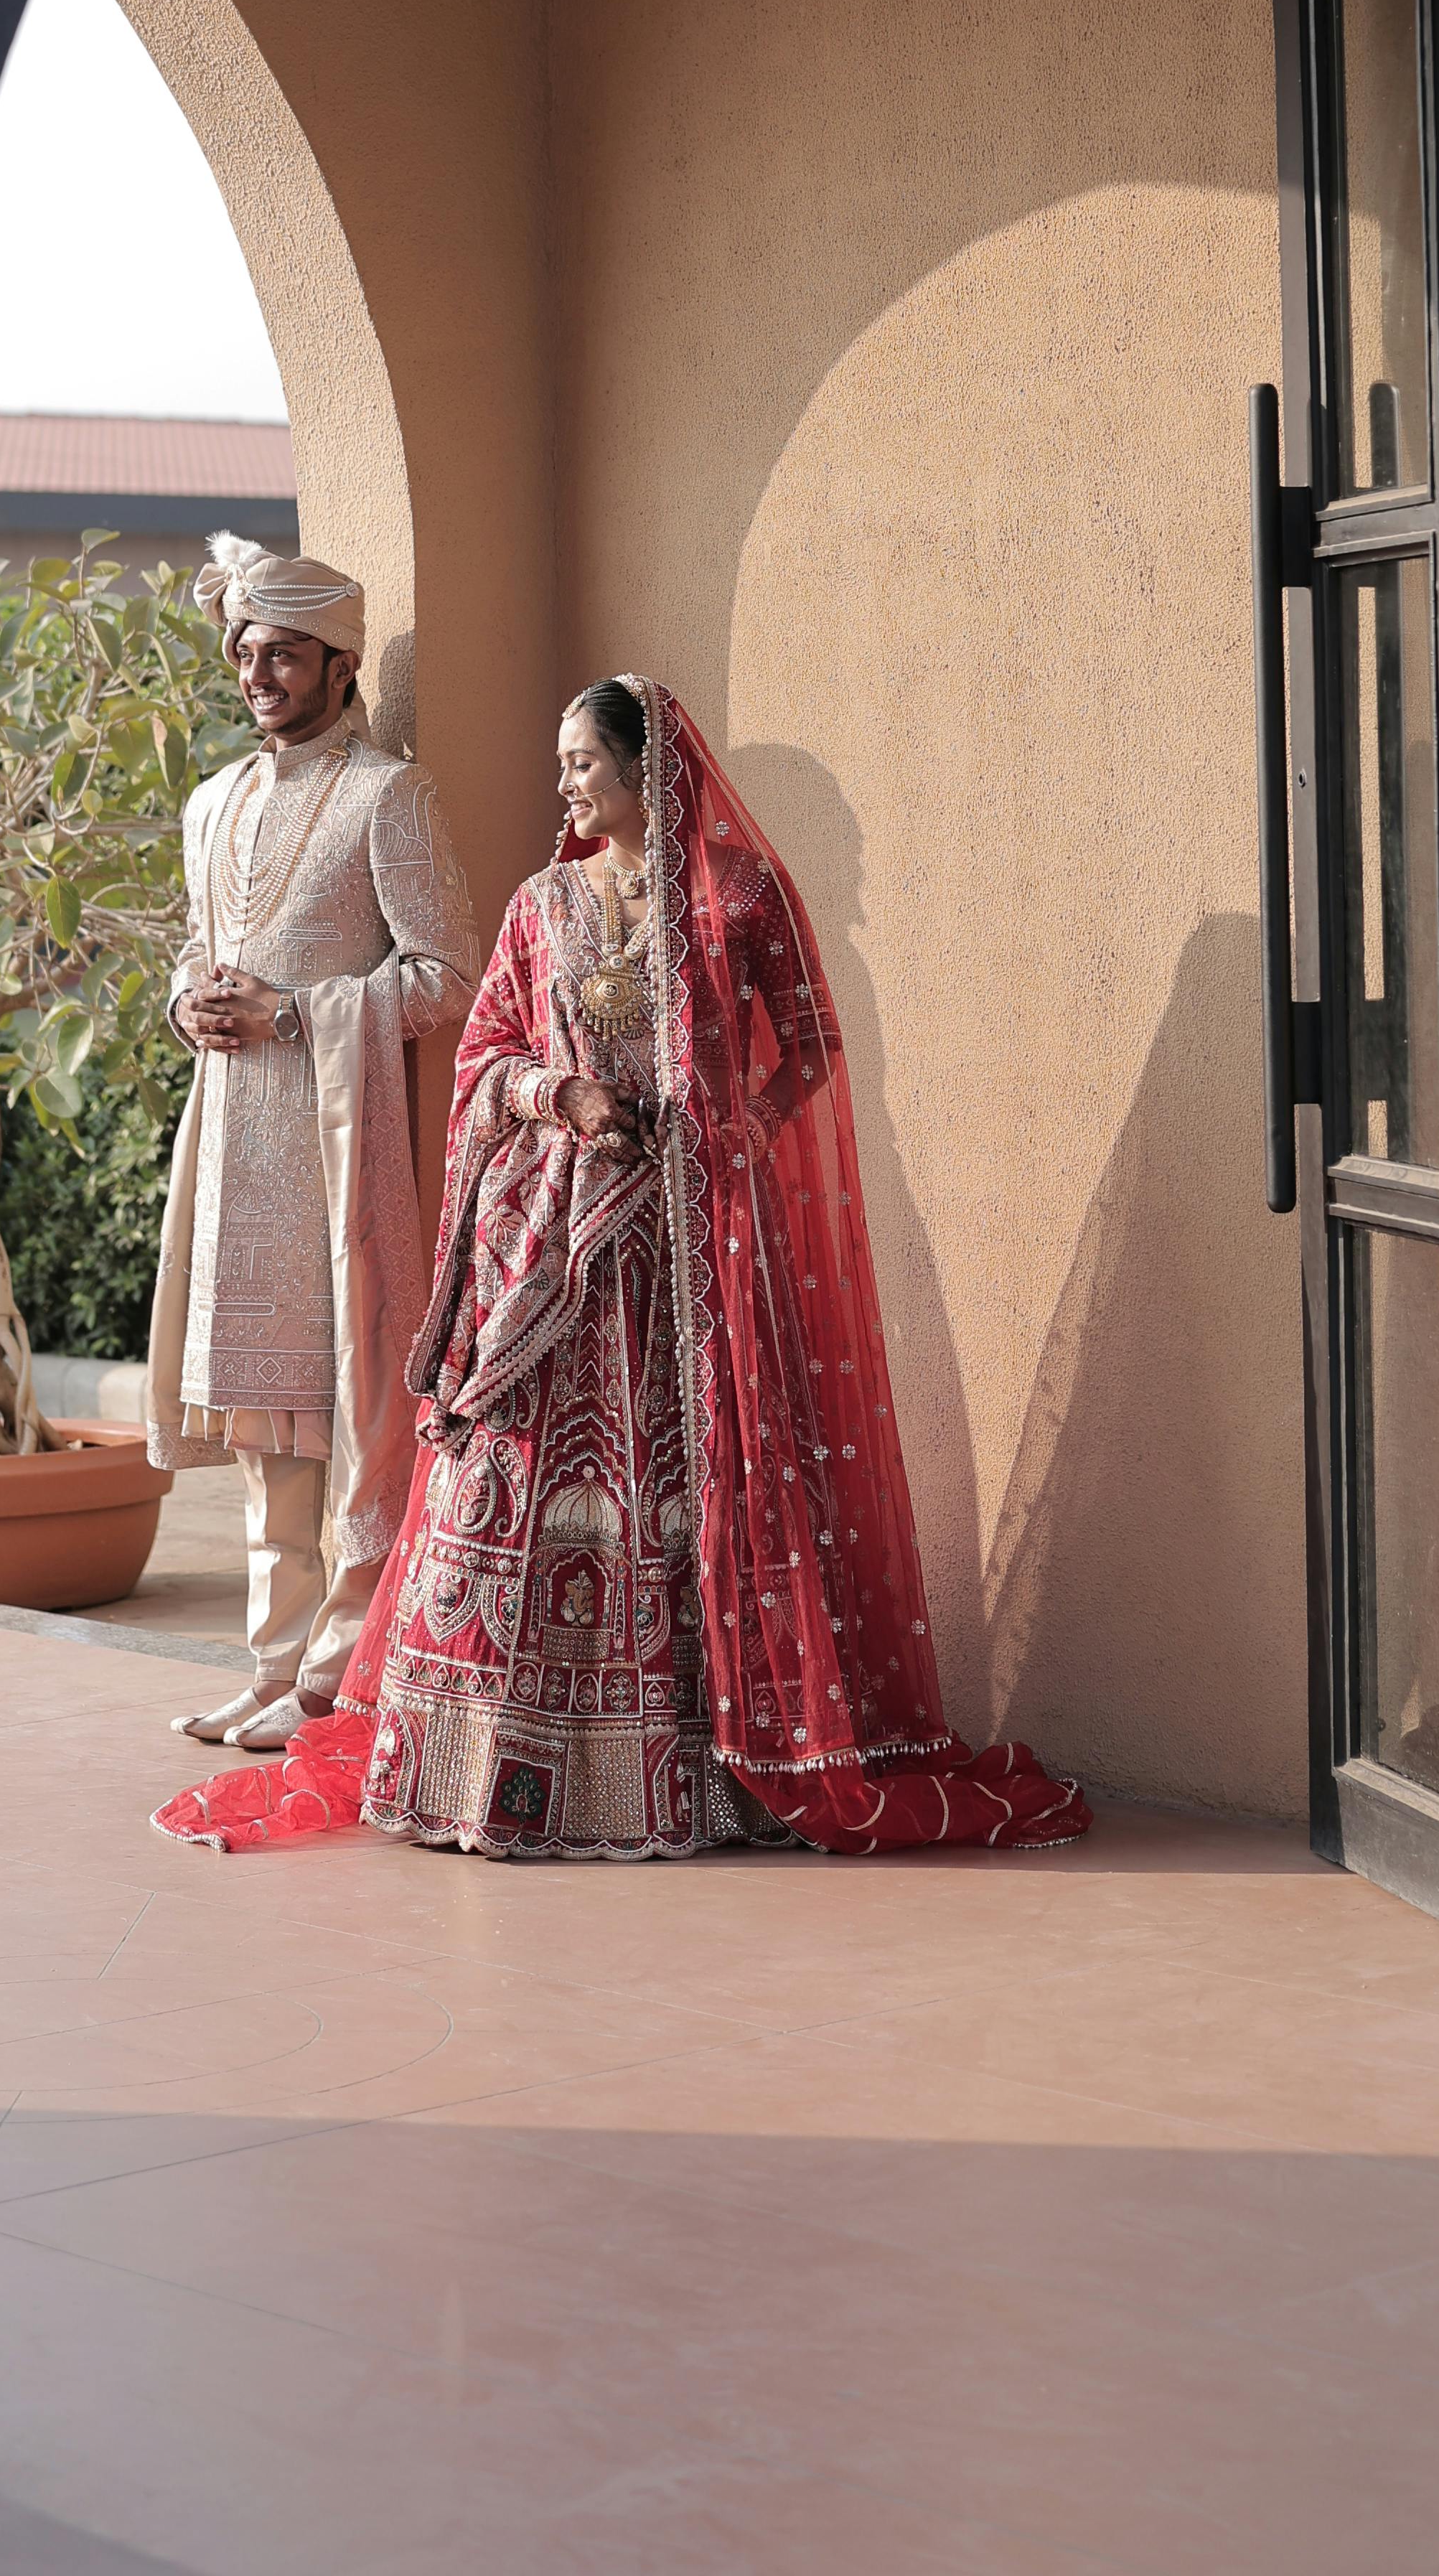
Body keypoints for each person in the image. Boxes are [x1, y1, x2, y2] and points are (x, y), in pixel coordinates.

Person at [158, 675, 1086, 1858]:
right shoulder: (542, 906)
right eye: (563, 765)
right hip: (553, 1239)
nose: (566, 786)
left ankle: (696, 1771)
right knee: (514, 1472)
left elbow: (809, 1046)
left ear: (650, 773)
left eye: (584, 764)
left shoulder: (740, 897)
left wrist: (728, 1130)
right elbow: (488, 1050)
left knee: (691, 1476)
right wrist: (566, 1094)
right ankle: (488, 1766)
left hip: (693, 1250)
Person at [150, 536, 477, 1751]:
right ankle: (271, 1663)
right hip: (233, 1141)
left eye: (283, 653)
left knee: (343, 1414)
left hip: (339, 1150)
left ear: (341, 664)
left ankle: (335, 1675)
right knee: (258, 1424)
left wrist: (296, 1013)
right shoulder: (213, 802)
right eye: (245, 652)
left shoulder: (390, 793)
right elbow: (198, 946)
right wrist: (188, 1001)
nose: (258, 673)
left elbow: (448, 972)